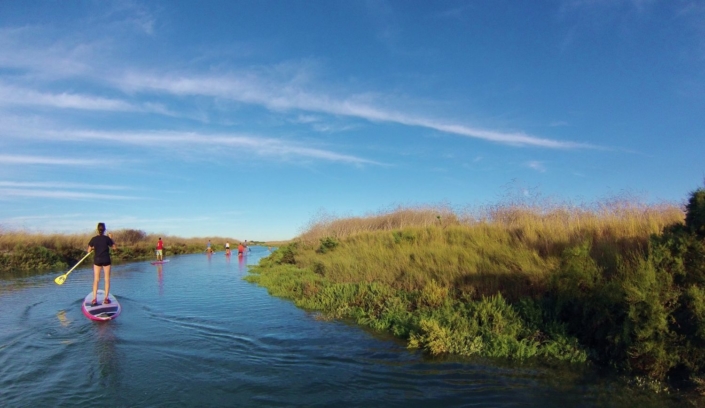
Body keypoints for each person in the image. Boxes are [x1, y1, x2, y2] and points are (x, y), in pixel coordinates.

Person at [87, 222, 117, 306]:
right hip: (106, 260)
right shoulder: (107, 239)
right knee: (107, 279)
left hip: (97, 260)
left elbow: (88, 250)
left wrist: (93, 247)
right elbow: (114, 248)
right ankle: (106, 299)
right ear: (104, 230)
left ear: (97, 230)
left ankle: (94, 299)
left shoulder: (94, 239)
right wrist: (111, 238)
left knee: (96, 280)